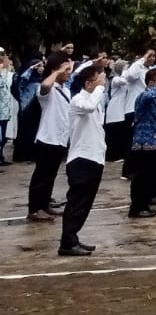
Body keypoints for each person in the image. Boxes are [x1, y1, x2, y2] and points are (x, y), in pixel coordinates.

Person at [58, 60, 109, 257]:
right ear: (89, 83)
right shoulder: (79, 100)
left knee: (85, 203)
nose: (103, 86)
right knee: (77, 203)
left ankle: (73, 237)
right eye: (99, 81)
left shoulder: (94, 102)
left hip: (94, 157)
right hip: (81, 159)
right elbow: (88, 106)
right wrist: (99, 89)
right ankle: (67, 241)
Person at [25, 52, 74, 221]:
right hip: (48, 138)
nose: (69, 72)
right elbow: (45, 85)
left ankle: (45, 205)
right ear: (56, 69)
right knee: (41, 176)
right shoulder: (47, 89)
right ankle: (34, 209)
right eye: (66, 69)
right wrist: (56, 71)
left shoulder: (65, 90)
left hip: (60, 138)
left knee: (50, 176)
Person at [128, 60, 156, 218]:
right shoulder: (144, 95)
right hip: (144, 142)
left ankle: (145, 204)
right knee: (142, 177)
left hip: (155, 141)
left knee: (150, 176)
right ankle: (137, 207)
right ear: (151, 82)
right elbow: (152, 93)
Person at [0, 48, 16, 166]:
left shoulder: (8, 73)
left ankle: (0, 157)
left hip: (5, 110)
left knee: (3, 138)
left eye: (3, 55)